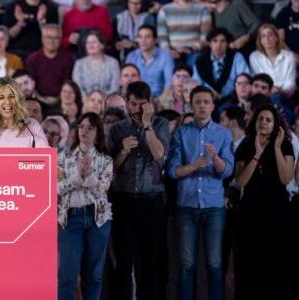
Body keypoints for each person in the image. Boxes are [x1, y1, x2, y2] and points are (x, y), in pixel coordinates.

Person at [167, 86, 234, 300]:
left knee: (215, 263)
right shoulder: (180, 133)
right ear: (191, 105)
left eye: (206, 102)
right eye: (198, 102)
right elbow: (172, 170)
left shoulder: (223, 134)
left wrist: (215, 160)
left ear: (213, 106)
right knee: (186, 265)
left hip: (214, 206)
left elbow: (228, 171)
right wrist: (193, 166)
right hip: (186, 206)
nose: (202, 105)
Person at [107, 80, 169, 300]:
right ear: (126, 103)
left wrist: (147, 125)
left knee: (150, 262)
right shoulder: (116, 129)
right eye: (133, 104)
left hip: (153, 201)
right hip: (123, 200)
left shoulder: (160, 124)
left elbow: (159, 154)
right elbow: (109, 168)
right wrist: (123, 151)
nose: (137, 109)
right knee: (124, 262)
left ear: (149, 104)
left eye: (142, 104)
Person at [234, 104, 295, 299]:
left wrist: (275, 148)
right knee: (250, 265)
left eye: (268, 120)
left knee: (276, 265)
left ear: (275, 124)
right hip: (250, 210)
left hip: (278, 211)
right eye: (260, 118)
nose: (263, 122)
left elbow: (286, 178)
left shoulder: (285, 144)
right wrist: (257, 154)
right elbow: (241, 180)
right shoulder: (246, 144)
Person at [57, 112, 113, 300]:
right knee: (67, 275)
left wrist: (88, 174)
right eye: (81, 126)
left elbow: (102, 190)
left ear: (98, 133)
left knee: (94, 276)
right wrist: (77, 178)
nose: (84, 131)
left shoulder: (106, 160)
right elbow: (56, 188)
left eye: (90, 128)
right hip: (71, 218)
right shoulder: (63, 158)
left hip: (98, 220)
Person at [0, 77, 48, 147]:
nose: (7, 102)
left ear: (18, 100)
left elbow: (46, 158)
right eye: (1, 98)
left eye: (12, 96)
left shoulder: (32, 126)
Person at [192, 27, 250, 99]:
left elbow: (245, 78)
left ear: (227, 44)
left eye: (222, 41)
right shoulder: (200, 60)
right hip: (207, 98)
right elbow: (196, 83)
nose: (219, 45)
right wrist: (209, 93)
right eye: (215, 41)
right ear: (210, 44)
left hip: (232, 99)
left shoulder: (236, 57)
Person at [26, 23, 75, 104]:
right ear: (42, 39)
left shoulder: (68, 59)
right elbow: (31, 84)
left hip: (62, 101)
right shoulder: (32, 59)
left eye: (56, 38)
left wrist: (59, 99)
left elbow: (68, 83)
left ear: (60, 40)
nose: (52, 41)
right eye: (48, 37)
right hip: (37, 100)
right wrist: (41, 99)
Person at [156, 0, 212, 66]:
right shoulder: (164, 10)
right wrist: (169, 50)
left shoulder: (202, 9)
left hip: (194, 51)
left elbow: (206, 37)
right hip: (172, 51)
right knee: (167, 59)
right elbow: (162, 36)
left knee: (197, 58)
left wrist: (190, 48)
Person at [125, 25, 174, 97]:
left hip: (159, 98)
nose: (143, 40)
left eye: (147, 37)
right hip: (136, 98)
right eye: (140, 37)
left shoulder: (165, 56)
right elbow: (127, 82)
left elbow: (169, 83)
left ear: (155, 40)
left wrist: (162, 102)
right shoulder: (131, 56)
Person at [249, 23, 297, 98]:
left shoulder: (289, 56)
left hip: (284, 96)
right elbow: (255, 80)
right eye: (263, 36)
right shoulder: (254, 57)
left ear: (276, 38)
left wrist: (280, 90)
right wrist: (268, 90)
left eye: (270, 35)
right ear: (260, 40)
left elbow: (291, 83)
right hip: (263, 96)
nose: (267, 39)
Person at [72, 30, 120, 97]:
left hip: (107, 102)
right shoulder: (79, 64)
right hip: (85, 103)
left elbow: (115, 88)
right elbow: (78, 87)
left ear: (102, 45)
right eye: (88, 43)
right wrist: (89, 101)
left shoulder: (113, 63)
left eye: (94, 42)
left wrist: (102, 100)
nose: (90, 45)